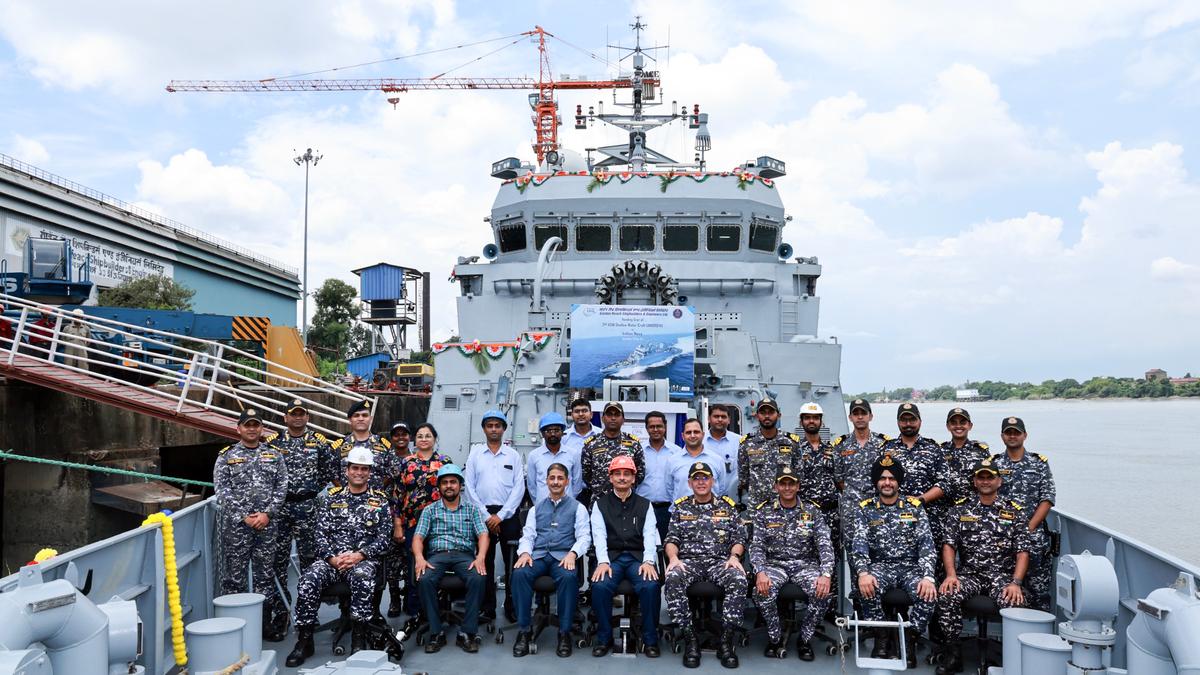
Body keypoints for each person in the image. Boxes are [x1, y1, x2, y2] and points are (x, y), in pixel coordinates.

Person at [285, 447, 392, 666]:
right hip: (332, 562)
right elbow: (319, 535)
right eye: (355, 468)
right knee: (308, 579)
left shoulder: (380, 501)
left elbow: (384, 538)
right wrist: (332, 559)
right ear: (347, 470)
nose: (359, 473)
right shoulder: (330, 499)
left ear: (370, 472)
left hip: (362, 561)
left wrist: (360, 555)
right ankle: (305, 640)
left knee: (362, 577)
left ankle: (358, 638)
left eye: (364, 469)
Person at [935, 458, 1030, 675]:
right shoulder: (960, 509)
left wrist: (1016, 583)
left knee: (1015, 602)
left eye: (990, 477)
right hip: (971, 574)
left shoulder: (1013, 511)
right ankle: (953, 655)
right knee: (947, 595)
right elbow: (949, 545)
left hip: (1002, 576)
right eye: (981, 477)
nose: (985, 481)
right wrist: (951, 575)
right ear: (975, 481)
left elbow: (1023, 552)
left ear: (999, 481)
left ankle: (1012, 660)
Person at [851, 456, 937, 667]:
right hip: (880, 567)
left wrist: (928, 577)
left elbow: (926, 544)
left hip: (910, 568)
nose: (887, 483)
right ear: (876, 482)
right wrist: (863, 573)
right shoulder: (865, 508)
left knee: (928, 595)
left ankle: (909, 638)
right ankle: (882, 635)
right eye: (882, 478)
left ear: (898, 482)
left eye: (892, 478)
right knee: (866, 588)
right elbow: (859, 544)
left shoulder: (914, 507)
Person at [213, 408, 288, 641]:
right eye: (248, 425)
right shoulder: (226, 456)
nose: (252, 429)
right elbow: (222, 490)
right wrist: (244, 516)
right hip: (237, 528)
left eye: (256, 425)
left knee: (264, 577)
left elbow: (281, 487)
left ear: (261, 429)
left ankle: (263, 626)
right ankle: (233, 628)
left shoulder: (274, 455)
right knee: (234, 578)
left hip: (267, 526)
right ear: (239, 428)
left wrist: (267, 514)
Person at [665, 462, 747, 669]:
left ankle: (726, 641)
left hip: (719, 562)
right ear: (690, 483)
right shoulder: (681, 508)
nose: (701, 482)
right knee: (673, 577)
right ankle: (690, 639)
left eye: (705, 478)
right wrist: (673, 558)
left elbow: (739, 538)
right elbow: (671, 540)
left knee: (738, 579)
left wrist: (734, 557)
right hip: (689, 562)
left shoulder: (727, 507)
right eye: (696, 478)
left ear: (712, 481)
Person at [750, 466, 834, 661]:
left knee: (822, 592)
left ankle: (805, 639)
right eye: (783, 483)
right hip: (775, 565)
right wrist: (760, 572)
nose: (787, 487)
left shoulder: (812, 511)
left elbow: (825, 545)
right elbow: (757, 546)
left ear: (798, 486)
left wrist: (826, 574)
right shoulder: (764, 511)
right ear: (776, 487)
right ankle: (775, 638)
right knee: (761, 591)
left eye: (791, 483)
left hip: (805, 565)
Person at [268, 398, 335, 637]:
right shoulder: (273, 443)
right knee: (278, 561)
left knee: (310, 561)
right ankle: (282, 613)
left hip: (308, 507)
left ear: (307, 417)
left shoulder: (319, 442)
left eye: (301, 413)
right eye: (293, 414)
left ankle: (309, 612)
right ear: (285, 417)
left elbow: (330, 469)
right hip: (281, 509)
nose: (297, 417)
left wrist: (313, 488)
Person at [511, 462, 591, 658]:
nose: (556, 482)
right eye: (552, 478)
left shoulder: (578, 508)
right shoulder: (535, 509)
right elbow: (528, 535)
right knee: (519, 574)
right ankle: (524, 630)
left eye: (560, 478)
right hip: (538, 556)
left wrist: (573, 554)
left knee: (568, 577)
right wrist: (525, 553)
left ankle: (564, 632)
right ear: (546, 481)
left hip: (563, 557)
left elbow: (584, 537)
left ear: (567, 481)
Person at [412, 463, 490, 654]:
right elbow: (418, 537)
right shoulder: (430, 510)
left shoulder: (472, 510)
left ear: (460, 485)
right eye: (445, 482)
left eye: (453, 482)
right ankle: (436, 632)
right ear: (439, 486)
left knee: (478, 577)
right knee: (424, 578)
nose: (449, 486)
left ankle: (467, 632)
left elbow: (483, 535)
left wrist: (480, 557)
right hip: (437, 556)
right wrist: (419, 558)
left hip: (464, 556)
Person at [589, 455, 661, 657]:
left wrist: (649, 561)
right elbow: (599, 536)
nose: (622, 478)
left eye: (627, 474)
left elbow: (650, 535)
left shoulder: (645, 505)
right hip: (612, 558)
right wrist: (602, 562)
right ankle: (604, 638)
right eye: (618, 474)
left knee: (650, 585)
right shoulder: (600, 505)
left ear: (633, 478)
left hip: (638, 558)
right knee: (600, 585)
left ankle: (650, 640)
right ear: (610, 477)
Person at [463, 409, 525, 623]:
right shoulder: (475, 455)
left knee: (512, 563)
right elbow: (469, 487)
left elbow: (519, 487)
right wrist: (486, 515)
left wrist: (501, 515)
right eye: (489, 426)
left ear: (504, 429)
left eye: (497, 426)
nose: (493, 429)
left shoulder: (513, 455)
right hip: (482, 514)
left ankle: (511, 605)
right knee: (484, 562)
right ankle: (487, 607)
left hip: (508, 515)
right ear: (484, 429)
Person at [990, 417, 1056, 612]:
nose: (1012, 436)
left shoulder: (1038, 463)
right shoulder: (994, 464)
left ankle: (1040, 628)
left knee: (1038, 591)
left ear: (1024, 435)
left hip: (1033, 537)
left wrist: (1029, 528)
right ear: (1002, 436)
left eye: (1016, 433)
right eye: (1008, 433)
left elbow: (1047, 498)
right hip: (1003, 538)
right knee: (1006, 590)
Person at [391, 423, 452, 620]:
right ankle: (415, 610)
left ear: (435, 439)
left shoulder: (444, 462)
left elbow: (453, 492)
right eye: (420, 436)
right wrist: (397, 525)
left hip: (440, 523)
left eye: (428, 435)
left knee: (437, 564)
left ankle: (437, 607)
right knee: (414, 565)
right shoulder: (406, 463)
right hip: (412, 523)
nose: (424, 439)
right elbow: (397, 495)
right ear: (414, 440)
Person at [879, 403, 949, 513]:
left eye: (912, 420)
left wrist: (920, 499)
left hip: (927, 514)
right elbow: (877, 480)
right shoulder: (886, 448)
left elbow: (944, 483)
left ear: (920, 421)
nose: (908, 424)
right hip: (893, 515)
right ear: (898, 422)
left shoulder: (934, 449)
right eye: (904, 420)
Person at [832, 398, 892, 526]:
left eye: (863, 413)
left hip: (877, 506)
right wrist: (853, 494)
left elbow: (890, 475)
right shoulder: (841, 445)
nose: (860, 417)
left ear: (870, 416)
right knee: (850, 539)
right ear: (850, 417)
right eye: (856, 414)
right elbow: (839, 478)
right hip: (851, 508)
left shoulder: (884, 444)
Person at [737, 397, 800, 509]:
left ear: (778, 415)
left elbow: (798, 473)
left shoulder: (790, 442)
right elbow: (743, 478)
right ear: (757, 416)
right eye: (763, 413)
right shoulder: (747, 443)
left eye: (771, 412)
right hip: (757, 506)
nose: (767, 416)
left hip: (784, 505)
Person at [580, 401, 645, 503]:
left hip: (626, 501)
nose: (613, 418)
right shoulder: (591, 444)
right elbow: (586, 476)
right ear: (603, 418)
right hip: (600, 501)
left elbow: (640, 474)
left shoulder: (633, 444)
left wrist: (624, 487)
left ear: (623, 419)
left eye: (617, 415)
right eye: (609, 414)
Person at [329, 400, 396, 493]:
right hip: (346, 499)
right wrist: (344, 492)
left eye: (364, 415)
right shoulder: (339, 446)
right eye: (356, 415)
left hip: (376, 499)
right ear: (350, 420)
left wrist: (376, 492)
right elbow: (332, 474)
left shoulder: (384, 445)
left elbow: (391, 472)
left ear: (370, 419)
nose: (361, 419)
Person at [636, 410, 681, 541]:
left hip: (667, 509)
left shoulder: (676, 452)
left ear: (665, 427)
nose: (655, 429)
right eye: (652, 426)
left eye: (659, 426)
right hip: (642, 507)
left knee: (670, 545)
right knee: (641, 546)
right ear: (646, 428)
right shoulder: (638, 451)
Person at [665, 418, 727, 502]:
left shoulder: (717, 460)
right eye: (688, 432)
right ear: (682, 436)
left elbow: (721, 490)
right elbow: (670, 491)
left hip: (711, 509)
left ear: (703, 435)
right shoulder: (672, 461)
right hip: (682, 510)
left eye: (696, 432)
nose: (692, 435)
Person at [527, 412, 582, 503]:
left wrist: (569, 502)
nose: (553, 434)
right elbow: (531, 485)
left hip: (567, 506)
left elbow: (577, 484)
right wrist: (540, 503)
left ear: (562, 432)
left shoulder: (573, 454)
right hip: (543, 506)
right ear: (542, 434)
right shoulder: (534, 455)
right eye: (548, 431)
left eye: (556, 430)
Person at [705, 404, 739, 501]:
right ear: (709, 419)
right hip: (705, 498)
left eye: (723, 417)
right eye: (716, 416)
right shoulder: (700, 441)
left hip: (731, 498)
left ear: (729, 420)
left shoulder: (739, 441)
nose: (720, 419)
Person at [562, 396, 600, 461]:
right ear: (572, 415)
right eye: (577, 411)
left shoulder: (601, 434)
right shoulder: (564, 437)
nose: (581, 414)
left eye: (584, 411)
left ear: (591, 414)